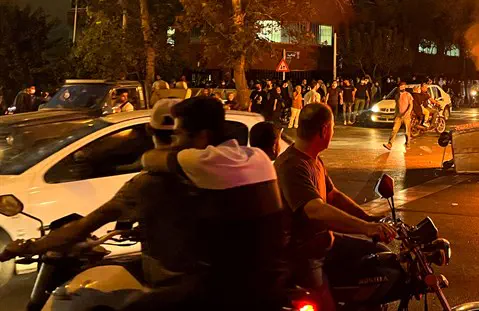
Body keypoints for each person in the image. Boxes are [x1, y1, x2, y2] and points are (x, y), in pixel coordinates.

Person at [0, 99, 217, 308]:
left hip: (175, 287)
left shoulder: (147, 183)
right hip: (207, 278)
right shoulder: (213, 174)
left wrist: (29, 247)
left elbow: (83, 226)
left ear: (150, 131)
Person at [141, 96, 291, 308]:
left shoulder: (203, 160)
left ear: (203, 136)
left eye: (179, 134)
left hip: (230, 292)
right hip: (272, 281)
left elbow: (149, 159)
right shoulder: (258, 156)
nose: (176, 142)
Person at [275, 103, 395, 311]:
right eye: (332, 127)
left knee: (380, 258)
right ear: (324, 130)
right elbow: (315, 209)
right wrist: (365, 228)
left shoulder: (313, 159)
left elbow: (333, 195)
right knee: (325, 306)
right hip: (305, 253)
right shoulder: (292, 165)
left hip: (325, 242)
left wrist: (369, 219)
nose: (333, 132)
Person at [383, 82, 414, 151]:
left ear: (405, 87)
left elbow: (411, 105)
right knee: (394, 130)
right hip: (399, 116)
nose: (402, 87)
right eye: (400, 86)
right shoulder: (397, 95)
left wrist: (408, 112)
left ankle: (408, 144)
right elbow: (397, 106)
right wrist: (395, 115)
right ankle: (389, 144)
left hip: (406, 116)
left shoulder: (408, 94)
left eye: (403, 86)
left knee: (407, 131)